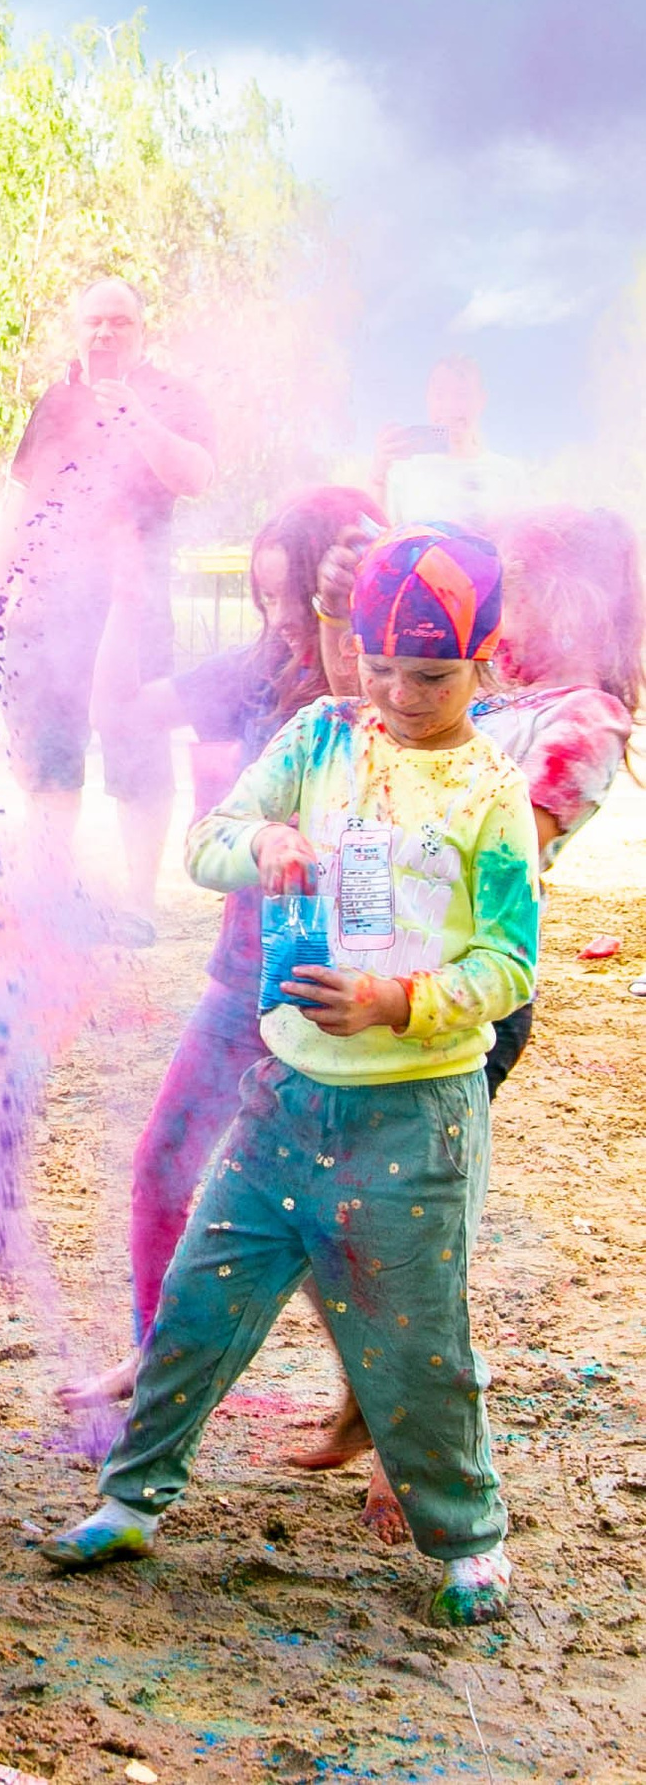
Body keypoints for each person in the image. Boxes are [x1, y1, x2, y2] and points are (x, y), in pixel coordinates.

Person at [39, 526, 538, 1631]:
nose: (401, 692)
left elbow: (508, 962)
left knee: (414, 1337)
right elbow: (205, 842)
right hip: (284, 1094)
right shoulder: (316, 740)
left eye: (432, 673)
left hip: (415, 1116)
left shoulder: (490, 794)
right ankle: (131, 1497)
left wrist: (395, 1002)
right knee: (198, 1300)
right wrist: (262, 840)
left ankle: (467, 1536)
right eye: (381, 663)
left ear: (484, 657)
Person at [286, 504, 640, 1536]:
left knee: (402, 1233)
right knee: (314, 1211)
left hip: (454, 1000)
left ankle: (414, 1442)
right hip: (365, 982)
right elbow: (364, 735)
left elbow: (474, 857)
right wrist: (342, 614)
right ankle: (370, 1399)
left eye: (517, 579)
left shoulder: (581, 721)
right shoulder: (494, 696)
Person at [56, 487, 381, 1414]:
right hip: (243, 984)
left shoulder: (387, 704)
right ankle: (155, 1354)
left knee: (337, 1213)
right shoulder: (248, 676)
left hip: (350, 999)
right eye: (265, 597)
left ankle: (385, 1409)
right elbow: (120, 711)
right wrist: (126, 596)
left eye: (298, 600)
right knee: (166, 1160)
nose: (281, 621)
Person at [0, 277, 216, 933]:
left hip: (135, 599)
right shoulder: (55, 401)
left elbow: (197, 478)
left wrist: (138, 419)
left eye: (119, 322)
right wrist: (2, 587)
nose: (105, 333)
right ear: (78, 331)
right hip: (49, 605)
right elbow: (21, 498)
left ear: (143, 330)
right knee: (51, 747)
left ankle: (139, 904)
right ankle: (51, 897)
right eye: (93, 322)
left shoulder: (175, 398)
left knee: (137, 743)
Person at [377, 356, 529, 531]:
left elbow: (520, 545)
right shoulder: (403, 471)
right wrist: (378, 476)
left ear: (481, 400)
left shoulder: (508, 473)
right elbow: (378, 540)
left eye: (462, 395)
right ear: (428, 400)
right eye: (439, 395)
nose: (449, 406)